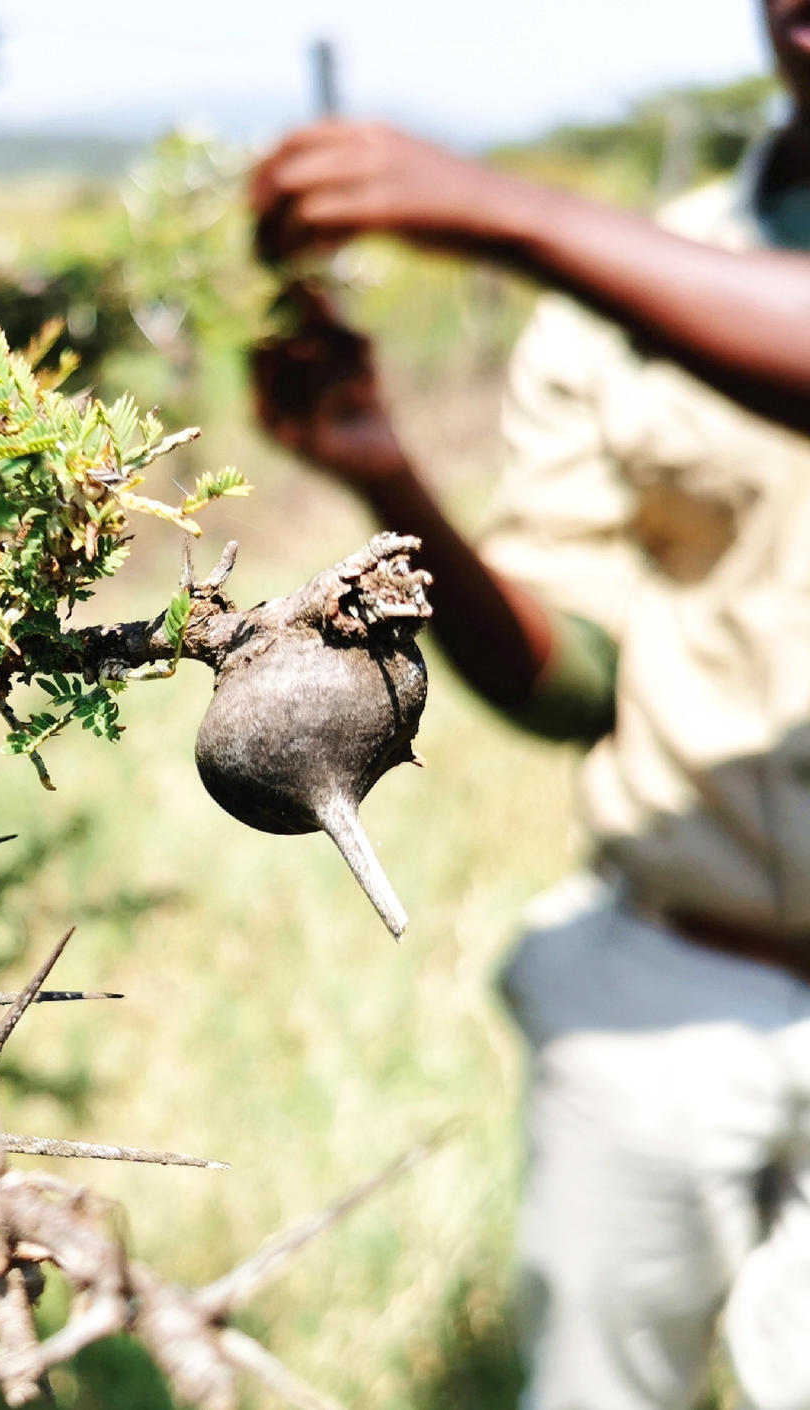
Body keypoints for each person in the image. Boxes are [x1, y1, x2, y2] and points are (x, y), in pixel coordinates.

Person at [247, 6, 810, 1409]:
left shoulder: (583, 258)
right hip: (670, 982)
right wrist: (390, 483)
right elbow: (578, 685)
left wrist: (500, 212)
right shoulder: (612, 306)